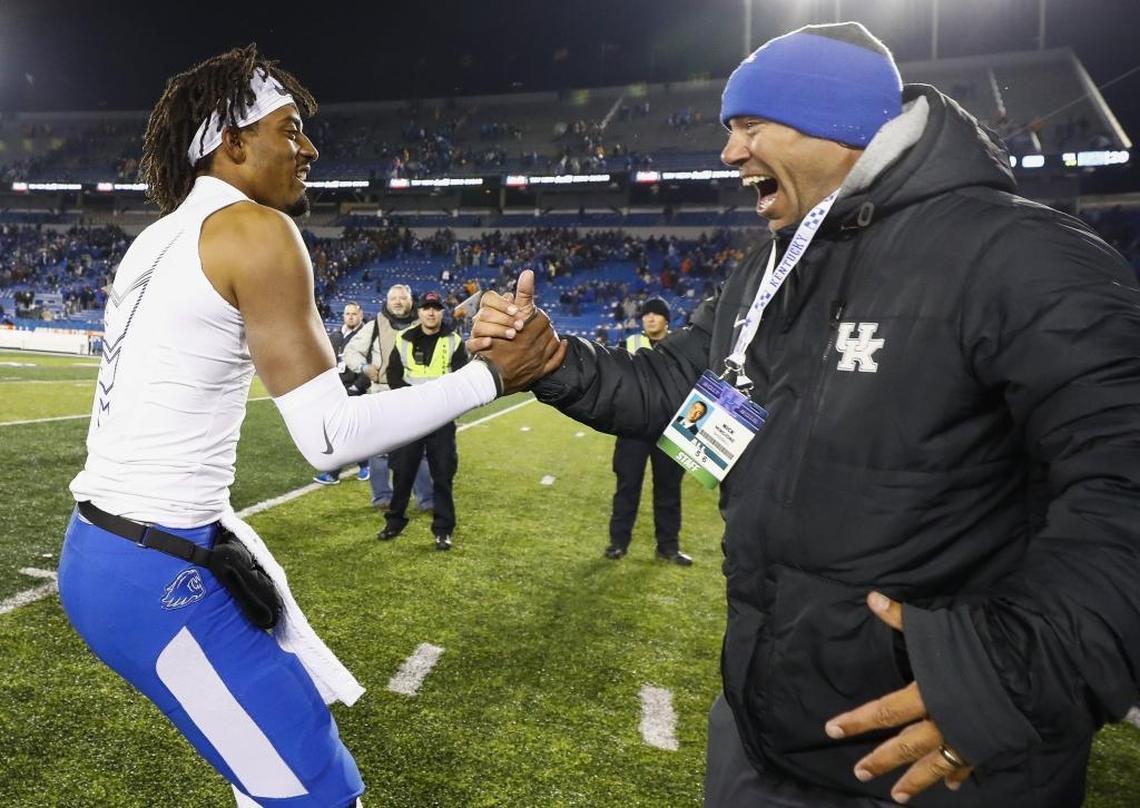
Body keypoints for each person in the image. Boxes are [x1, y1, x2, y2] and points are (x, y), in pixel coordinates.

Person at [470, 22, 1140, 808]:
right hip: (764, 733)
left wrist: (1007, 678)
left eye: (749, 126)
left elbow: (1121, 483)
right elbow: (680, 394)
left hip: (945, 761)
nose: (729, 154)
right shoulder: (771, 269)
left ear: (836, 118)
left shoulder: (1020, 254)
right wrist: (555, 360)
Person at [59, 45, 562, 808]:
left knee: (266, 772)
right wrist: (492, 375)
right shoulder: (256, 232)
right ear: (233, 143)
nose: (309, 147)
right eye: (289, 129)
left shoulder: (153, 238)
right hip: (157, 565)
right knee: (314, 787)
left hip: (111, 547)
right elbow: (328, 438)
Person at [377, 292, 468, 551]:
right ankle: (395, 521)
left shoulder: (454, 340)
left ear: (442, 312)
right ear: (418, 312)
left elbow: (461, 379)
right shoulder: (403, 338)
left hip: (441, 419)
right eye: (427, 308)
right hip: (411, 417)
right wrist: (413, 400)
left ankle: (443, 529)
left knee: (442, 475)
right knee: (403, 472)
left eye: (436, 308)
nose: (431, 312)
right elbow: (394, 374)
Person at [606, 297, 691, 566]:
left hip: (671, 428)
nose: (649, 318)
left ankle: (668, 547)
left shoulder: (682, 347)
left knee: (669, 489)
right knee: (627, 487)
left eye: (656, 314)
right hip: (634, 428)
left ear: (667, 319)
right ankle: (618, 544)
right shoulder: (629, 344)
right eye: (646, 315)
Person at [343, 285, 433, 509]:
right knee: (380, 451)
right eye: (394, 298)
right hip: (381, 395)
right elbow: (351, 352)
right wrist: (364, 367)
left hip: (414, 395)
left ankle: (426, 498)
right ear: (387, 301)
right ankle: (382, 496)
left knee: (418, 450)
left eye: (403, 297)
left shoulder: (424, 327)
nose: (398, 301)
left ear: (411, 301)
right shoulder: (374, 326)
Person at [312, 301, 369, 485]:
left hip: (356, 389)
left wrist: (357, 387)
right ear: (343, 316)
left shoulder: (366, 336)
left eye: (354, 313)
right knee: (339, 430)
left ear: (361, 315)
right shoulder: (335, 336)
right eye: (347, 314)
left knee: (353, 430)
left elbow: (372, 362)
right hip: (336, 389)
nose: (351, 316)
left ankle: (344, 470)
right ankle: (358, 466)